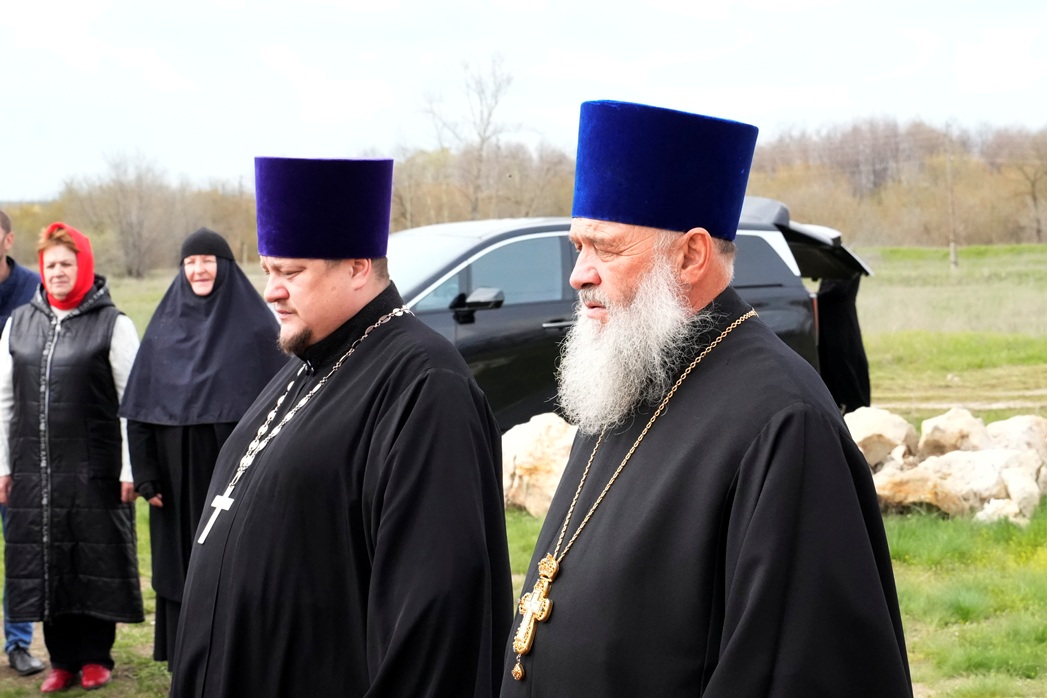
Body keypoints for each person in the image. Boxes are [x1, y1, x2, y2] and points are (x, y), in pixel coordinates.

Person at [500, 101, 912, 697]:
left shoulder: (784, 423)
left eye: (606, 249)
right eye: (579, 246)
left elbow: (796, 670)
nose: (579, 274)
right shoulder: (627, 375)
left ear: (691, 255)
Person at [170, 157, 512, 697]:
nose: (271, 291)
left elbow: (436, 613)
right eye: (268, 271)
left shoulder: (427, 384)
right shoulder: (308, 361)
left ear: (356, 267)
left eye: (291, 273)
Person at [120, 227, 285, 671]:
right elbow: (139, 411)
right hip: (173, 486)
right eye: (190, 261)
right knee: (181, 569)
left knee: (235, 566)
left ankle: (235, 662)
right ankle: (185, 663)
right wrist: (146, 476)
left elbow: (282, 408)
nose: (198, 269)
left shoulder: (257, 328)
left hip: (235, 481)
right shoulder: (162, 329)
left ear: (224, 266)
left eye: (207, 260)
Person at [0, 222, 144, 692]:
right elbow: (3, 401)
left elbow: (133, 403)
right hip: (34, 471)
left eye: (67, 263)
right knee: (48, 561)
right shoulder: (19, 323)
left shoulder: (114, 324)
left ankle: (96, 657)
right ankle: (61, 660)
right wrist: (3, 465)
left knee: (93, 557)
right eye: (50, 265)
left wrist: (131, 468)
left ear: (83, 266)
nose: (58, 272)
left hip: (95, 468)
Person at [0, 209, 46, 678]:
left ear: (8, 239)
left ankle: (18, 642)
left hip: (17, 440)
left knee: (18, 547)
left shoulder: (32, 289)